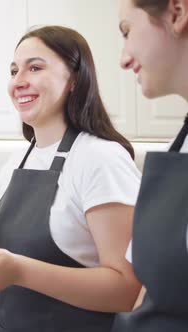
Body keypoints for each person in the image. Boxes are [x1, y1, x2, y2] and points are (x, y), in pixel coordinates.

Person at [0, 26, 142, 332]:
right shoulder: (16, 162)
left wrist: (19, 271)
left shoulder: (101, 159)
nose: (18, 81)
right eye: (13, 70)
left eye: (34, 67)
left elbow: (126, 289)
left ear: (75, 78)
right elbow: (5, 267)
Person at [112, 0, 188, 330]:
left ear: (177, 13)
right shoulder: (180, 143)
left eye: (128, 31)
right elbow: (150, 291)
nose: (124, 59)